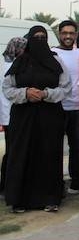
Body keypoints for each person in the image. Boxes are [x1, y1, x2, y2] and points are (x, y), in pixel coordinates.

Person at [2, 25, 72, 212]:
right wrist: (26, 93)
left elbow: (66, 87)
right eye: (36, 37)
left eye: (43, 37)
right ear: (29, 39)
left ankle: (50, 198)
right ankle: (20, 200)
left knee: (49, 154)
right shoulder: (20, 61)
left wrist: (46, 94)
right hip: (23, 116)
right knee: (22, 154)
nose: (39, 41)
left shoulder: (56, 61)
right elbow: (7, 89)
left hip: (50, 116)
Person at [53, 20, 79, 194]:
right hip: (57, 107)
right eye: (64, 33)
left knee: (77, 147)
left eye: (71, 33)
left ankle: (77, 180)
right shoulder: (52, 53)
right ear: (59, 34)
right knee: (55, 147)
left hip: (78, 108)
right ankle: (56, 182)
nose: (68, 36)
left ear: (76, 35)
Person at [0, 37, 26, 194]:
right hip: (12, 115)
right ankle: (9, 185)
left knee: (11, 151)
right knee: (13, 152)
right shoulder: (12, 67)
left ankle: (5, 185)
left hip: (8, 115)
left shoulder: (4, 64)